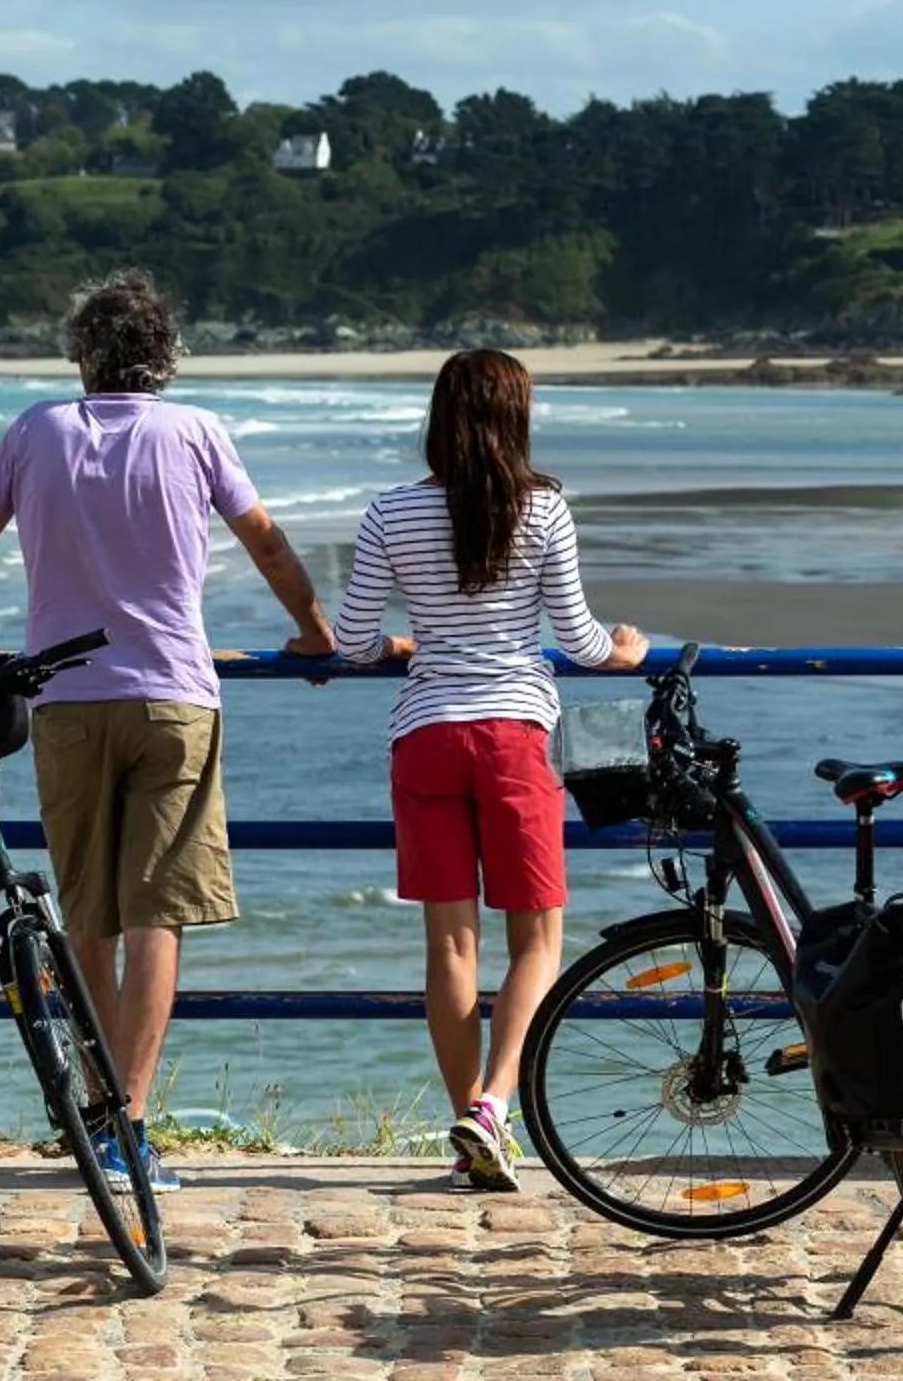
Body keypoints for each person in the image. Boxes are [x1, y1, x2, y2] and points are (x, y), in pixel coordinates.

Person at [0, 269, 334, 1195]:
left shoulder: (36, 431)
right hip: (173, 697)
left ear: (82, 356)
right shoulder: (195, 432)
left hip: (65, 701)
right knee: (158, 916)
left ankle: (95, 1114)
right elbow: (267, 542)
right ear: (166, 358)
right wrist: (314, 634)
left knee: (87, 918)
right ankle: (129, 1126)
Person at [332, 348, 647, 1190]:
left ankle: (469, 1120)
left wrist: (404, 643)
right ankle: (494, 1107)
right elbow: (577, 639)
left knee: (449, 944)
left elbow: (352, 642)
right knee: (538, 938)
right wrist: (623, 652)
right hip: (515, 736)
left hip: (427, 734)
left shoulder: (391, 511)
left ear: (440, 417)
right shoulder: (542, 508)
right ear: (516, 418)